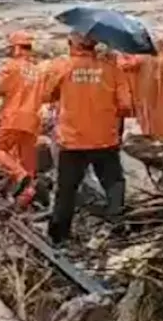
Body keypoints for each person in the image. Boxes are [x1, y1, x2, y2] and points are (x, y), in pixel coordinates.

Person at [39, 34, 133, 245]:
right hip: (104, 139)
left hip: (72, 141)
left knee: (66, 189)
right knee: (114, 183)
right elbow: (126, 106)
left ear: (72, 44)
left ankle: (59, 236)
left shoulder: (61, 67)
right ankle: (117, 224)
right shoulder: (112, 69)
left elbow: (46, 95)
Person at [0, 32, 50, 208]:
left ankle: (20, 176)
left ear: (18, 48)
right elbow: (46, 96)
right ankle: (23, 203)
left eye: (12, 48)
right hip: (33, 121)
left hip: (13, 118)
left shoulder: (12, 66)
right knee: (29, 165)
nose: (11, 51)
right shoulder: (39, 71)